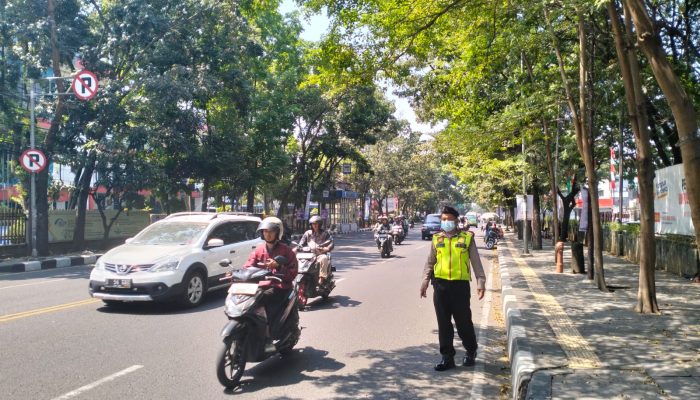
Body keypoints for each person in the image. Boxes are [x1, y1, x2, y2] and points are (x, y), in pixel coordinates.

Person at [420, 206, 486, 371]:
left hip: (460, 286)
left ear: (456, 221)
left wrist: (481, 282)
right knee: (443, 324)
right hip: (440, 286)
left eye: (449, 219)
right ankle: (447, 357)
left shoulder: (466, 238)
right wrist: (425, 282)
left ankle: (471, 351)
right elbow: (430, 262)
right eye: (443, 219)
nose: (446, 222)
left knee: (463, 322)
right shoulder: (437, 239)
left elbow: (476, 262)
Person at [243, 217, 298, 337]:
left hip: (279, 287)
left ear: (277, 233)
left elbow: (292, 274)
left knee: (263, 299)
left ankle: (269, 333)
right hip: (260, 287)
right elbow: (248, 266)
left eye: (271, 231)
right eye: (265, 231)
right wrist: (237, 274)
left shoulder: (287, 251)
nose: (267, 234)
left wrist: (278, 267)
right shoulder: (258, 250)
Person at [298, 215, 335, 286]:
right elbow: (301, 243)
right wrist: (299, 247)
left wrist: (327, 248)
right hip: (308, 256)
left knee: (324, 258)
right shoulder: (307, 233)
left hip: (319, 255)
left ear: (319, 224)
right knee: (297, 259)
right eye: (313, 224)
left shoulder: (325, 234)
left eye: (316, 224)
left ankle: (322, 278)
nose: (314, 225)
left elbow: (331, 242)